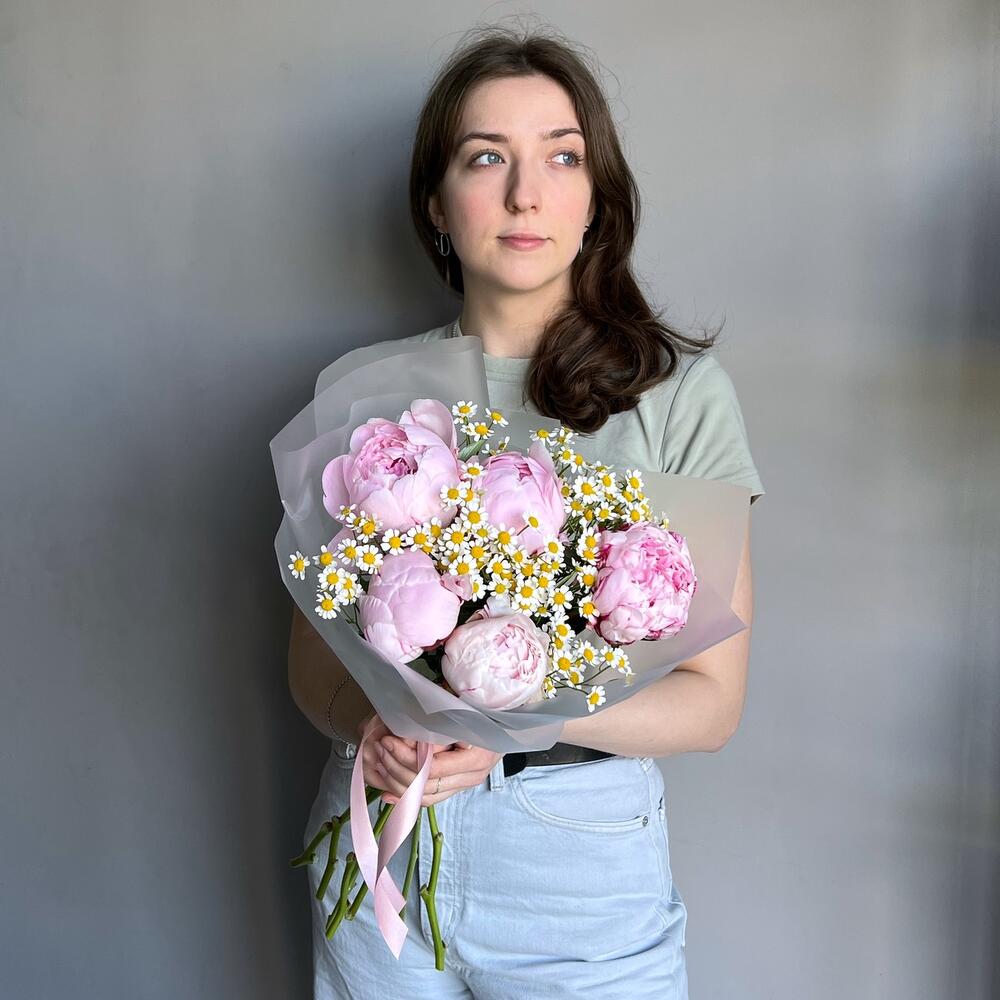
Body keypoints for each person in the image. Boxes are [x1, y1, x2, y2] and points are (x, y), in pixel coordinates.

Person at [287, 23, 764, 1000]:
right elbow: (310, 672)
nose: (523, 193)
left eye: (561, 156)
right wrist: (380, 728)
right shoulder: (365, 398)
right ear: (436, 204)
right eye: (484, 157)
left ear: (597, 199)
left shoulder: (677, 395)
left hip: (572, 867)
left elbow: (713, 703)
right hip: (381, 841)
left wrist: (516, 726)